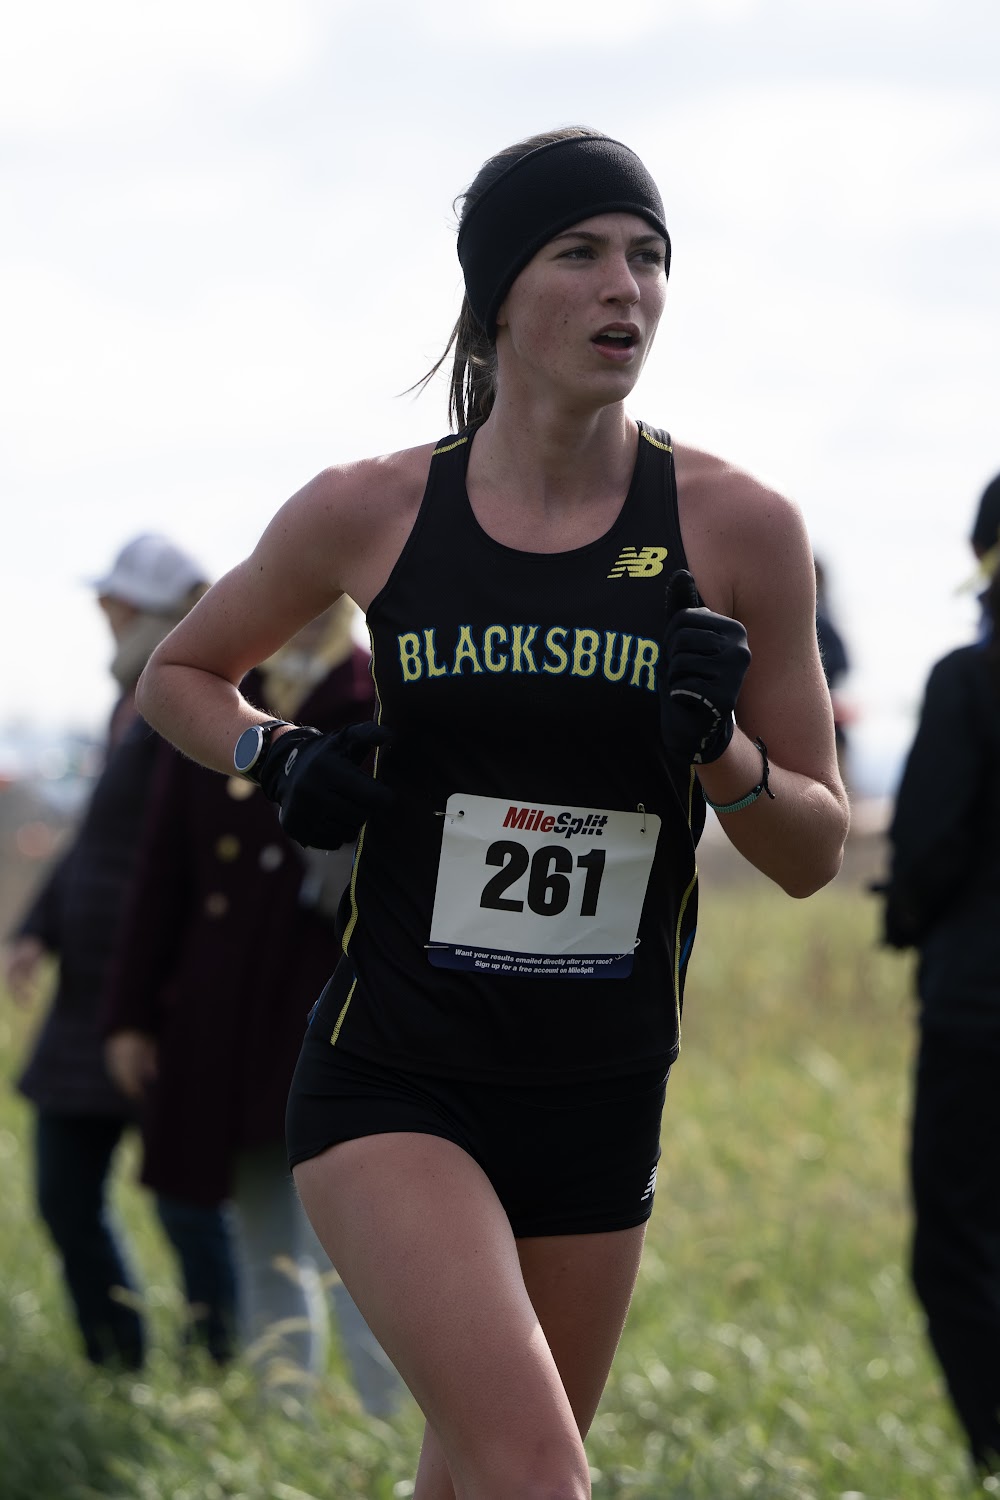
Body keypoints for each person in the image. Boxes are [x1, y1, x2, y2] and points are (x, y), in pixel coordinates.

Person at [135, 128, 849, 1499]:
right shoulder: (371, 507)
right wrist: (277, 756)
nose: (624, 287)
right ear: (494, 299)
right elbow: (180, 675)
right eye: (579, 253)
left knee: (476, 1479)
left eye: (648, 257)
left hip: (601, 1086)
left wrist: (720, 756)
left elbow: (813, 851)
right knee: (537, 1476)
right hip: (398, 1072)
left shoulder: (739, 527)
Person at [102, 599, 403, 1410]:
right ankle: (284, 1424)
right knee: (266, 1242)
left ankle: (389, 1437)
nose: (302, 617)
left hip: (340, 1004)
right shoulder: (220, 692)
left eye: (321, 599)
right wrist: (130, 1014)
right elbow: (163, 866)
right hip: (229, 1014)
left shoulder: (383, 691)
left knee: (367, 1254)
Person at [3, 533, 209, 1369]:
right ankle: (120, 1364)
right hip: (92, 997)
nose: (103, 613)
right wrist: (36, 929)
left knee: (189, 1203)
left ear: (146, 610)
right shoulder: (130, 704)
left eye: (115, 602)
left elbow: (180, 866)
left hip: (158, 1002)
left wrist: (155, 1004)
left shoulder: (192, 706)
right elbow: (97, 839)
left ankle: (220, 1369)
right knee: (65, 1192)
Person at [879, 477, 1000, 1478]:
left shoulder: (969, 682)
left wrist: (905, 916)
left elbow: (926, 846)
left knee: (960, 1243)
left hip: (979, 1009)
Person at [813, 557, 853, 785]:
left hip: (824, 722)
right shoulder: (820, 617)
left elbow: (841, 664)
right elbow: (843, 663)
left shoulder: (817, 619)